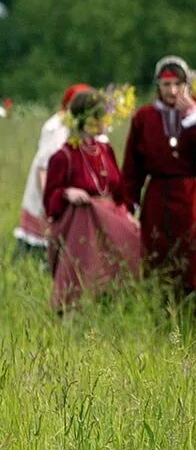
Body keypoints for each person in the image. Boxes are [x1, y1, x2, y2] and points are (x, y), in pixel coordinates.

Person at [121, 56, 196, 327]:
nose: (172, 90)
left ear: (186, 84)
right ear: (158, 85)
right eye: (166, 84)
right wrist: (129, 202)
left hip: (191, 198)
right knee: (159, 261)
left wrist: (193, 118)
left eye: (177, 83)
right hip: (157, 198)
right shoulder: (145, 117)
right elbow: (133, 166)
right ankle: (162, 326)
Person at [43, 87, 141, 309]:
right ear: (87, 119)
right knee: (82, 282)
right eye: (100, 116)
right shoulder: (64, 155)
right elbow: (50, 200)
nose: (106, 121)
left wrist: (127, 215)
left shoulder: (105, 150)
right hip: (83, 229)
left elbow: (119, 191)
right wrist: (67, 193)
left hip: (110, 225)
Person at [14, 84, 92, 259]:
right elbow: (43, 167)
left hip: (64, 191)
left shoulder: (84, 125)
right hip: (48, 188)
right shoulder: (57, 127)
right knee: (36, 245)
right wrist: (48, 201)